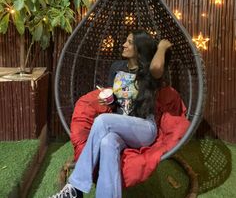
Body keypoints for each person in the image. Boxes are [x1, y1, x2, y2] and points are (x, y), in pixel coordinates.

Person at [49, 29, 172, 198]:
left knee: (102, 121)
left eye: (129, 42)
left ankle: (75, 188)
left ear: (139, 48)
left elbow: (157, 67)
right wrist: (108, 101)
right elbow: (115, 99)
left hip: (144, 128)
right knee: (107, 142)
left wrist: (162, 47)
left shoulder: (147, 72)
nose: (123, 44)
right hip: (119, 127)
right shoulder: (116, 68)